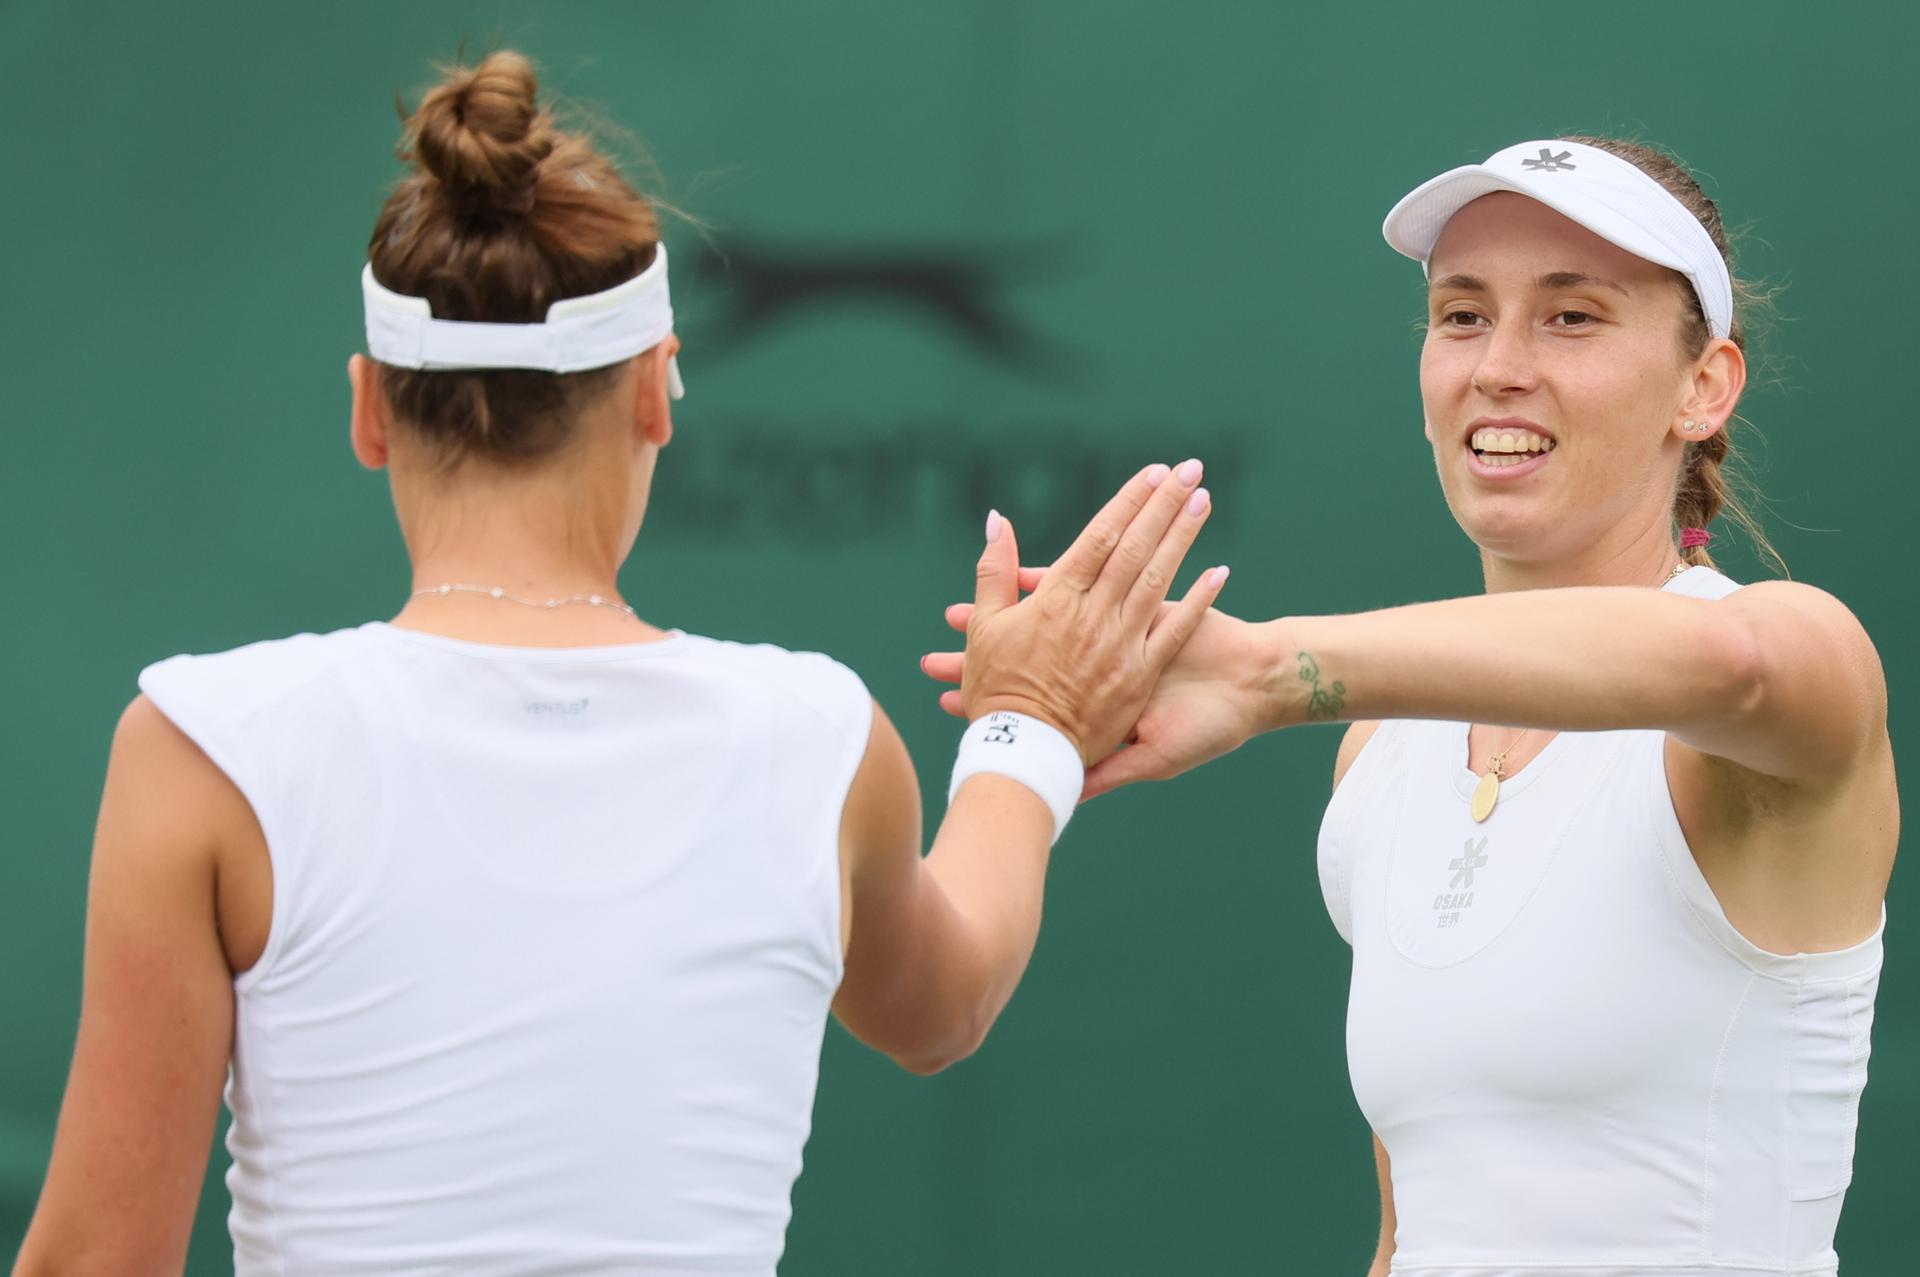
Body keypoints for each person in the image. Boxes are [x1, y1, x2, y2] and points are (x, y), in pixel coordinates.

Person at [12, 52, 1230, 1276]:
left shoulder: (200, 749)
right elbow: (944, 1004)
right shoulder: (818, 738)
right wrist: (1030, 720)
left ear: (369, 409)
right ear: (656, 392)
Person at [928, 136, 1897, 1275]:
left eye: (1572, 316)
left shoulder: (1800, 667)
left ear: (1704, 386)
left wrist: (1270, 672)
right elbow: (1410, 1235)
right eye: (1463, 316)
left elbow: (1729, 660)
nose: (1499, 366)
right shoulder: (1382, 754)